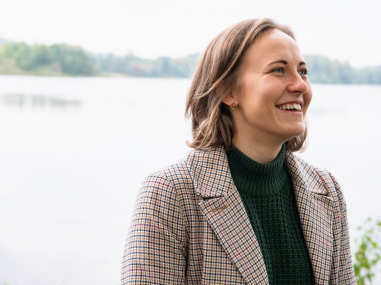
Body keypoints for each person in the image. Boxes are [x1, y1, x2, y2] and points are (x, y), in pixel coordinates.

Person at [121, 18, 355, 284]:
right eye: (279, 70)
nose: (300, 85)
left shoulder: (327, 190)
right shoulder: (170, 193)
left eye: (302, 71)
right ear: (228, 91)